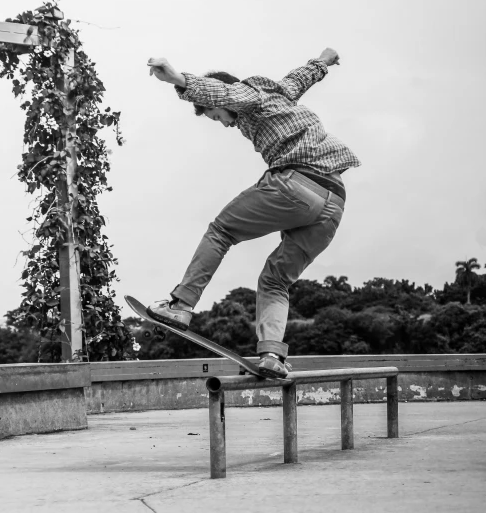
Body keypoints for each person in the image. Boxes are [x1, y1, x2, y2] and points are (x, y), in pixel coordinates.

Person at [145, 49, 361, 378]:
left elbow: (225, 91)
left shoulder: (248, 95)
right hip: (332, 203)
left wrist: (177, 80)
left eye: (216, 116)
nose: (222, 124)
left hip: (296, 186)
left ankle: (180, 306)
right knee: (275, 280)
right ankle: (272, 354)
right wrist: (323, 61)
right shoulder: (279, 92)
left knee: (221, 231)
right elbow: (301, 77)